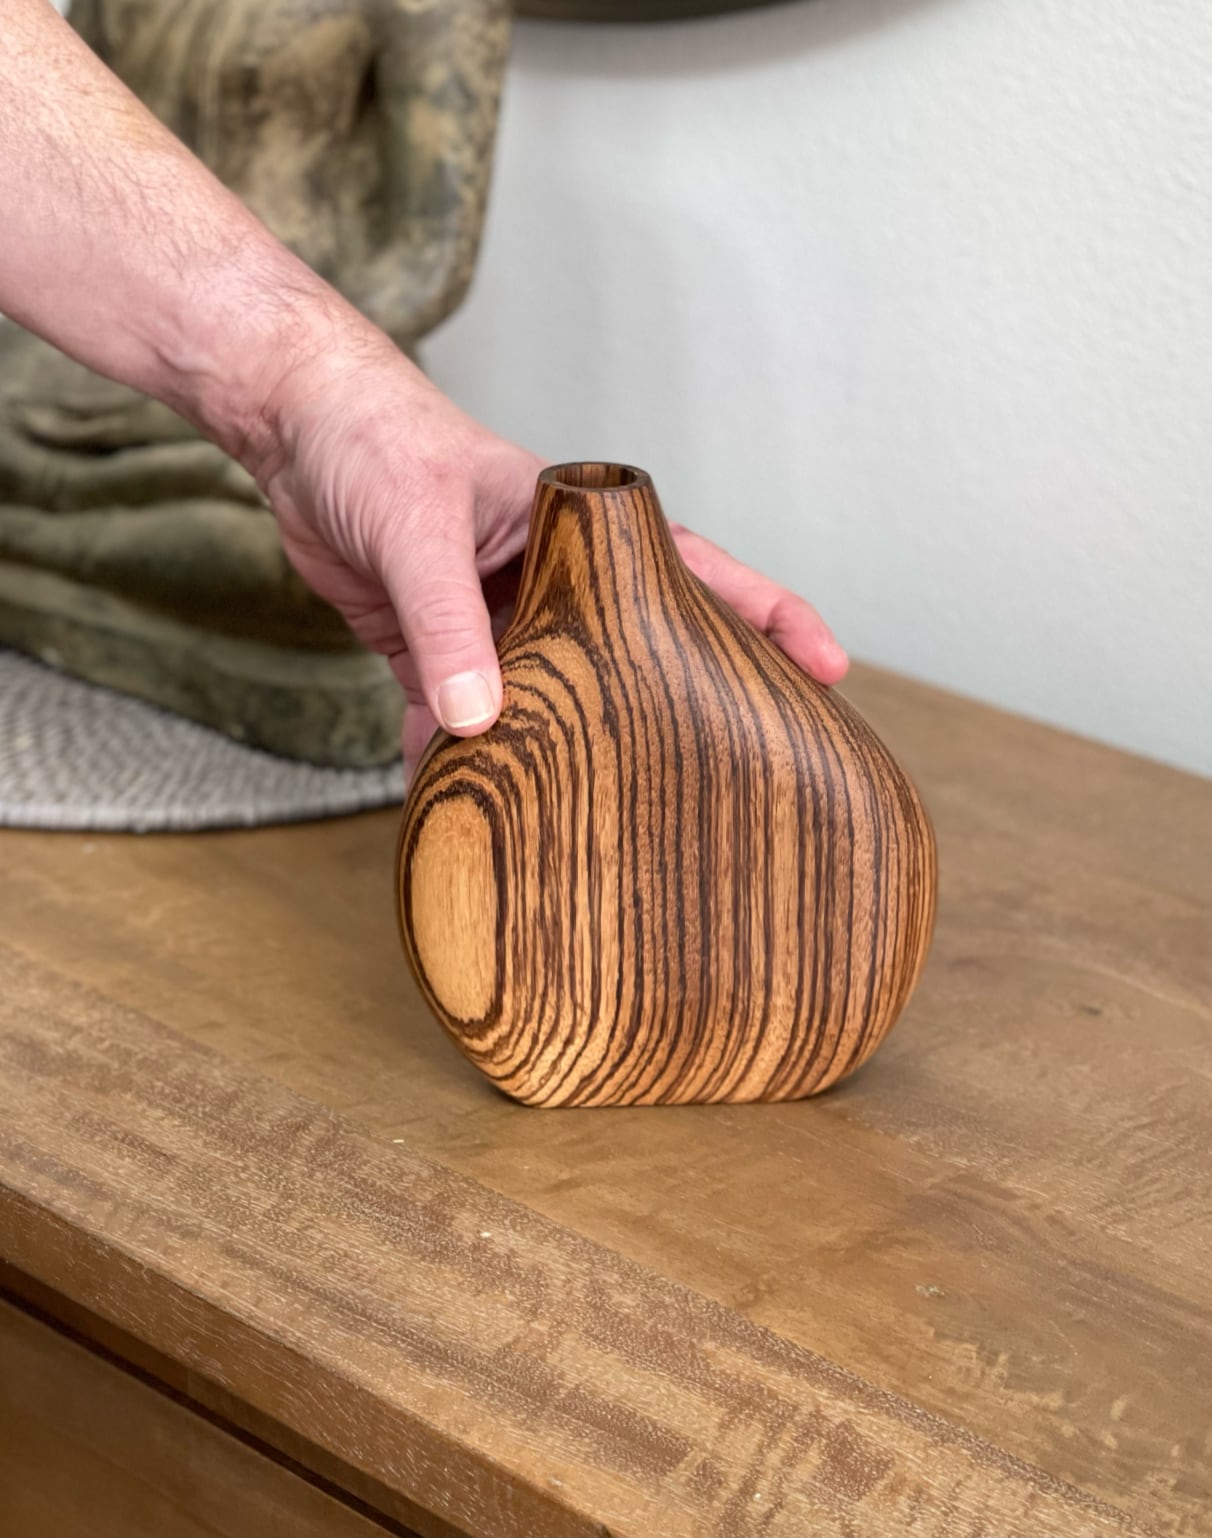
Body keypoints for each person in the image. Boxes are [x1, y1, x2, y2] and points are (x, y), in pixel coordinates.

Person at [1, 0, 848, 779]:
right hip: (77, 356)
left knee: (344, 571)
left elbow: (424, 261)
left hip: (266, 377)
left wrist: (308, 389)